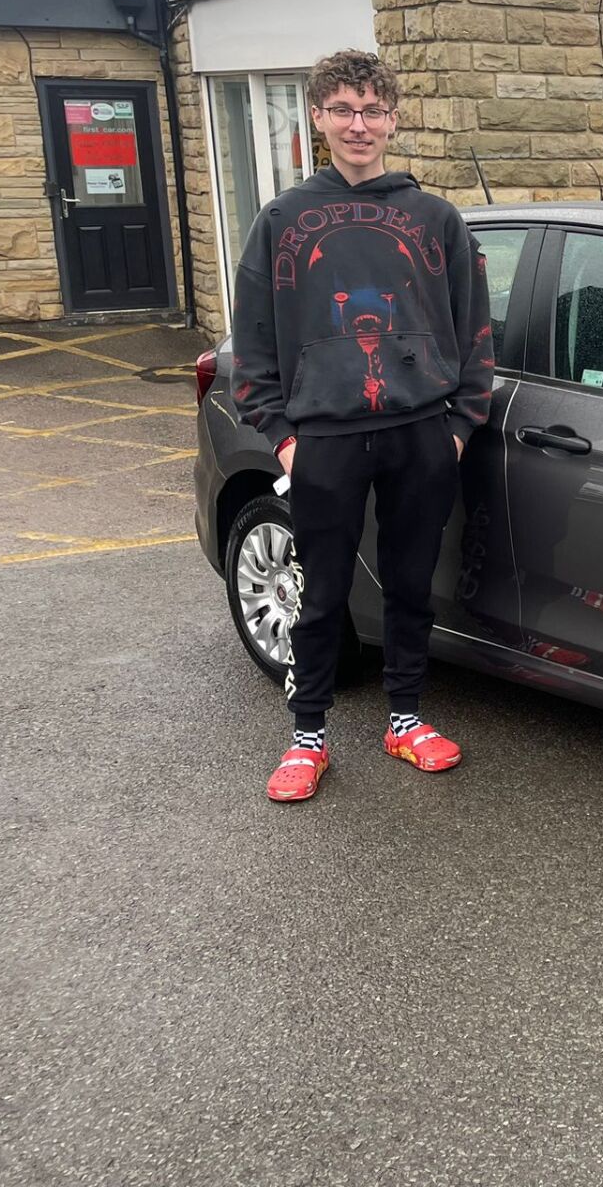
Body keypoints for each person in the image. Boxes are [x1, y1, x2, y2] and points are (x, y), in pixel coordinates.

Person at [230, 49, 494, 802]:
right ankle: (307, 737)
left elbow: (475, 331)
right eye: (343, 109)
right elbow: (252, 341)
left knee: (412, 586)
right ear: (316, 117)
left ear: (394, 119)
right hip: (325, 439)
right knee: (321, 595)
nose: (359, 124)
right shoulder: (282, 220)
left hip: (422, 433)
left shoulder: (435, 218)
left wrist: (458, 426)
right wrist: (283, 434)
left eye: (372, 110)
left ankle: (405, 720)